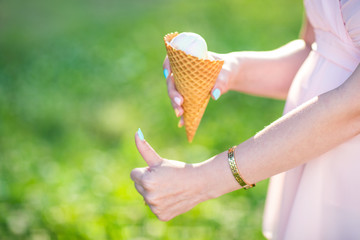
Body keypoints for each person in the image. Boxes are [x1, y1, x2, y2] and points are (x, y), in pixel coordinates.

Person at [130, 0, 360, 239]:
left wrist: (202, 180)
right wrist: (232, 69)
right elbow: (320, 50)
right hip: (310, 157)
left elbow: (354, 107)